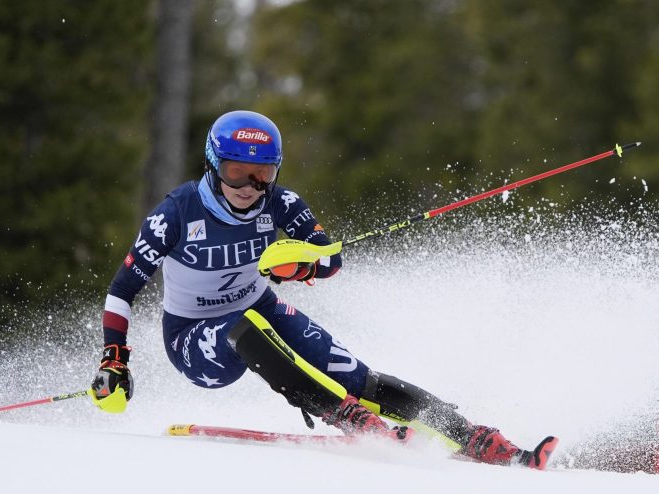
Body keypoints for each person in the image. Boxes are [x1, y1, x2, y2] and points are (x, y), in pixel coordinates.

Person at [89, 110, 556, 469]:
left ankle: (482, 439)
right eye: (237, 172)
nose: (251, 187)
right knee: (245, 324)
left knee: (359, 377)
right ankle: (352, 419)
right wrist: (115, 359)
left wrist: (301, 265)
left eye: (263, 174)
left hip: (259, 307)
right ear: (214, 165)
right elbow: (122, 288)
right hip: (193, 340)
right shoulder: (177, 212)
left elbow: (330, 257)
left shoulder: (282, 203)